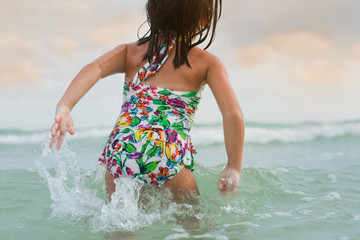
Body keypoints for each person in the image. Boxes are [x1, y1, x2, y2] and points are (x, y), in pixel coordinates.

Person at [49, 0, 244, 199]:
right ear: (203, 20)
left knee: (121, 226)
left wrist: (65, 105)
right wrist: (233, 167)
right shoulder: (207, 62)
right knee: (195, 224)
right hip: (166, 151)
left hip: (123, 145)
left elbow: (95, 68)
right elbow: (232, 114)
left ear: (152, 9)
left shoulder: (130, 52)